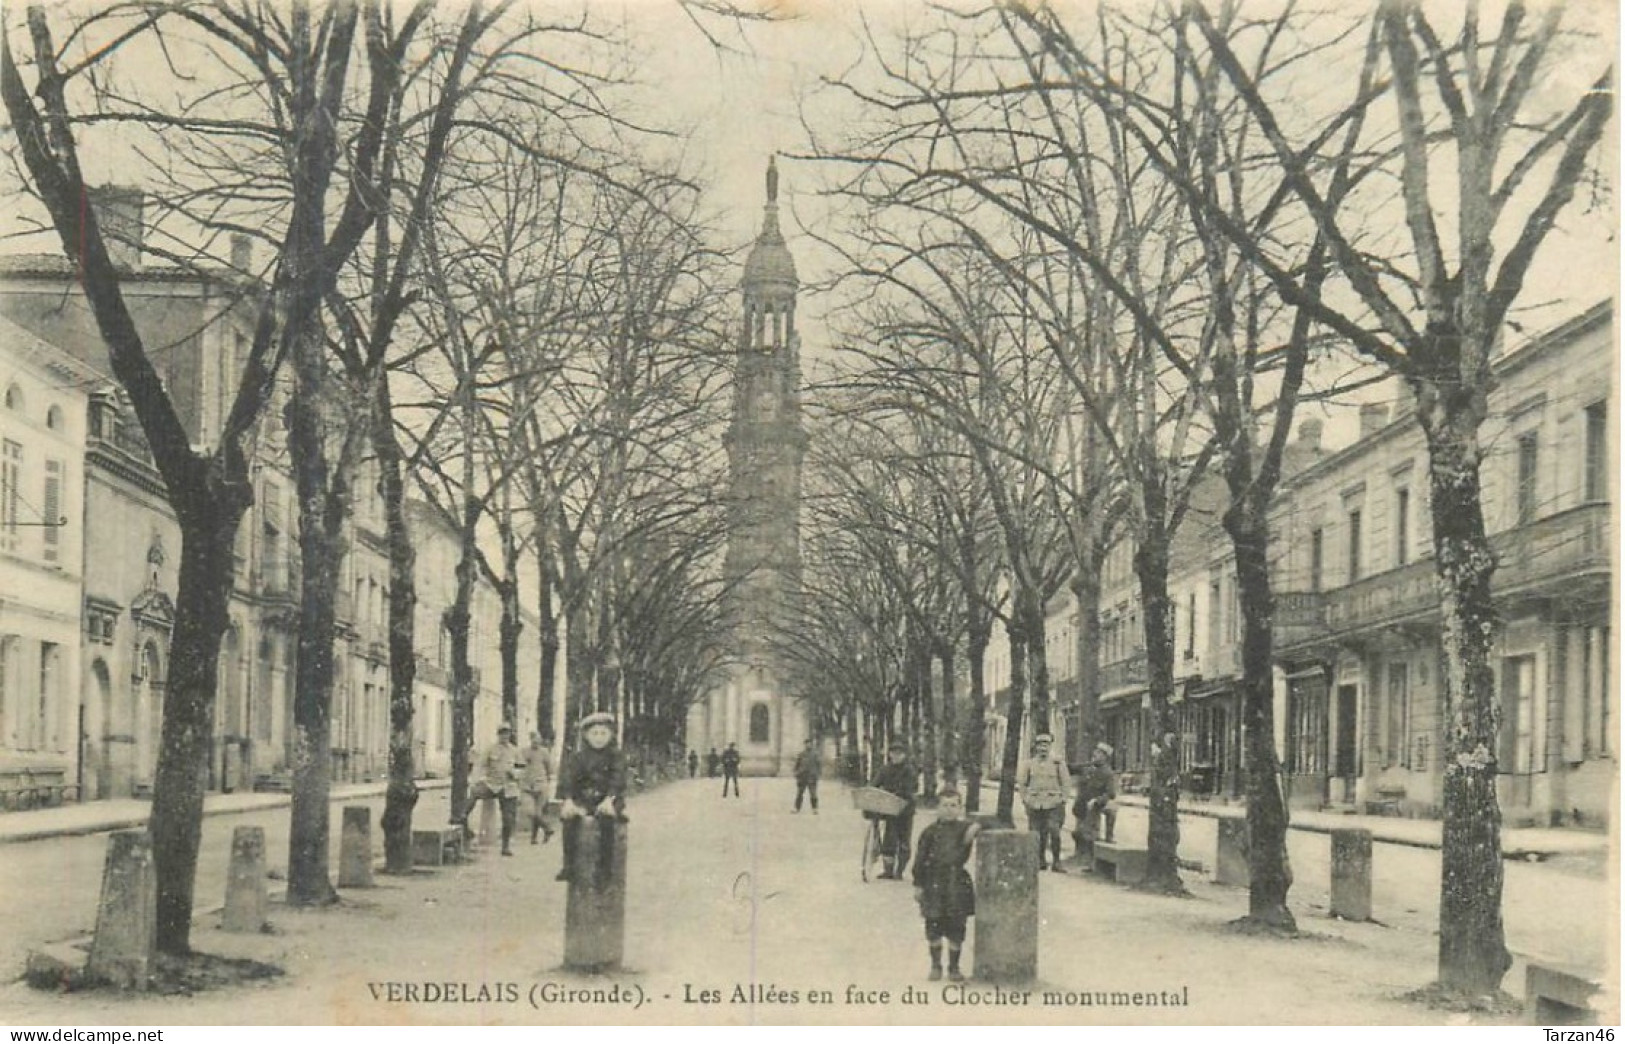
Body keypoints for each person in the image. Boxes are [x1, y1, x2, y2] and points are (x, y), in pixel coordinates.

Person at [912, 787, 980, 982]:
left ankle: (954, 968)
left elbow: (993, 821)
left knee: (957, 926)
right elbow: (920, 859)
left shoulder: (964, 827)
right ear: (937, 808)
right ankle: (935, 966)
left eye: (954, 805)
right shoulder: (929, 832)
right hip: (933, 881)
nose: (949, 810)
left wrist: (976, 827)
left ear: (960, 808)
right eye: (945, 805)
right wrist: (918, 884)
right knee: (933, 925)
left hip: (956, 882)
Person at [555, 711, 629, 885]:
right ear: (586, 736)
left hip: (609, 799)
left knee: (606, 821)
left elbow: (618, 779)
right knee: (570, 820)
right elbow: (568, 779)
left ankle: (604, 869)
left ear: (611, 735)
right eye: (594, 733)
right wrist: (568, 801)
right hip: (584, 800)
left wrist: (609, 800)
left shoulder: (616, 756)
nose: (599, 738)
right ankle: (569, 865)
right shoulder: (578, 757)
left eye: (603, 733)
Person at [460, 725, 522, 856]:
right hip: (492, 784)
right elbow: (480, 765)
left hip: (508, 787)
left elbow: (522, 768)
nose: (504, 736)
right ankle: (463, 817)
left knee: (508, 817)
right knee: (474, 793)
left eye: (507, 733)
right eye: (502, 733)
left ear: (510, 734)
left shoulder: (514, 751)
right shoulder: (491, 749)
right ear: (498, 735)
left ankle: (505, 846)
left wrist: (516, 773)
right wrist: (475, 780)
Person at [1020, 732, 1071, 872]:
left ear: (1050, 746)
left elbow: (1066, 783)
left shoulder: (1057, 763)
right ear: (1036, 747)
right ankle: (1040, 860)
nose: (1043, 748)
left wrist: (1063, 799)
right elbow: (1023, 784)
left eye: (1046, 744)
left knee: (1054, 831)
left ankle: (1056, 861)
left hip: (1053, 803)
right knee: (1036, 833)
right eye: (1040, 744)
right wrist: (1025, 800)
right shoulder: (1029, 764)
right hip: (1035, 803)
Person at [872, 741, 917, 879]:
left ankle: (900, 871)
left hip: (905, 809)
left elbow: (910, 788)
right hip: (890, 809)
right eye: (893, 753)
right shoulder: (885, 769)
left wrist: (898, 794)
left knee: (904, 839)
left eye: (899, 754)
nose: (896, 756)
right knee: (889, 839)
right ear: (890, 754)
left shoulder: (909, 770)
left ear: (904, 755)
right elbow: (875, 783)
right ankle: (888, 870)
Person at [1073, 742, 1119, 862]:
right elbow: (1072, 768)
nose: (1095, 755)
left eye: (1099, 753)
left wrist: (1097, 800)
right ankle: (1079, 854)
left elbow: (1111, 793)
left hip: (1097, 804)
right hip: (1083, 803)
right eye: (1096, 752)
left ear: (1105, 757)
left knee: (1092, 831)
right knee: (1078, 832)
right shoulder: (1087, 767)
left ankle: (1096, 849)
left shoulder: (1108, 773)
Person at [521, 731, 555, 846]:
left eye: (538, 740)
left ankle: (533, 838)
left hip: (541, 785)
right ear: (530, 740)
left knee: (538, 812)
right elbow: (519, 766)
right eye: (534, 740)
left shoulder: (544, 752)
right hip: (527, 786)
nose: (536, 743)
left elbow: (550, 768)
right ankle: (547, 828)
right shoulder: (524, 752)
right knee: (530, 812)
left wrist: (547, 782)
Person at [792, 739, 821, 813]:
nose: (808, 745)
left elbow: (818, 765)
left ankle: (815, 808)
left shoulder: (815, 754)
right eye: (807, 744)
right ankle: (797, 808)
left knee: (813, 794)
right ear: (805, 745)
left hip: (812, 777)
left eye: (810, 744)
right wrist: (796, 773)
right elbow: (797, 765)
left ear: (812, 745)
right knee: (799, 793)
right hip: (802, 777)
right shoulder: (801, 754)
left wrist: (817, 775)